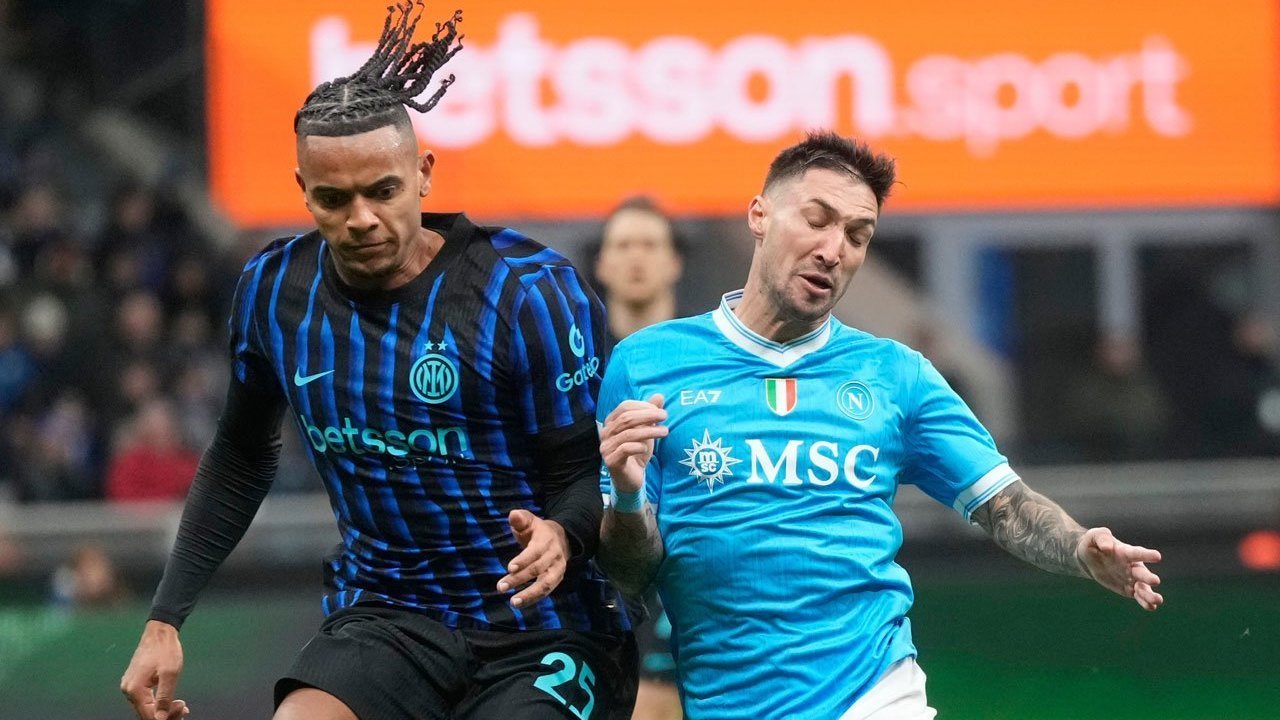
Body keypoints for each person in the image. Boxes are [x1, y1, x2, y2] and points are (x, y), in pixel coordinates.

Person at [120, 4, 634, 720]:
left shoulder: (526, 290)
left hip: (542, 623)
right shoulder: (275, 291)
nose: (360, 218)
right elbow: (240, 454)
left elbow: (586, 466)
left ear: (423, 174)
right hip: (387, 618)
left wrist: (563, 533)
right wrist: (165, 618)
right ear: (303, 191)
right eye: (334, 199)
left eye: (382, 191)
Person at [596, 131, 1164, 720]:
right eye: (817, 220)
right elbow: (629, 573)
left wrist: (1077, 545)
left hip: (874, 695)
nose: (833, 249)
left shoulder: (896, 376)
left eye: (857, 235)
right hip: (726, 701)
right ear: (759, 216)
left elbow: (1004, 505)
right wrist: (629, 496)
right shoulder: (646, 364)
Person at [591, 198, 685, 720]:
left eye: (649, 245)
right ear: (602, 263)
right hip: (594, 566)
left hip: (680, 570)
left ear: (673, 263)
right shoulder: (574, 363)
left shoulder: (704, 363)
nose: (636, 258)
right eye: (623, 245)